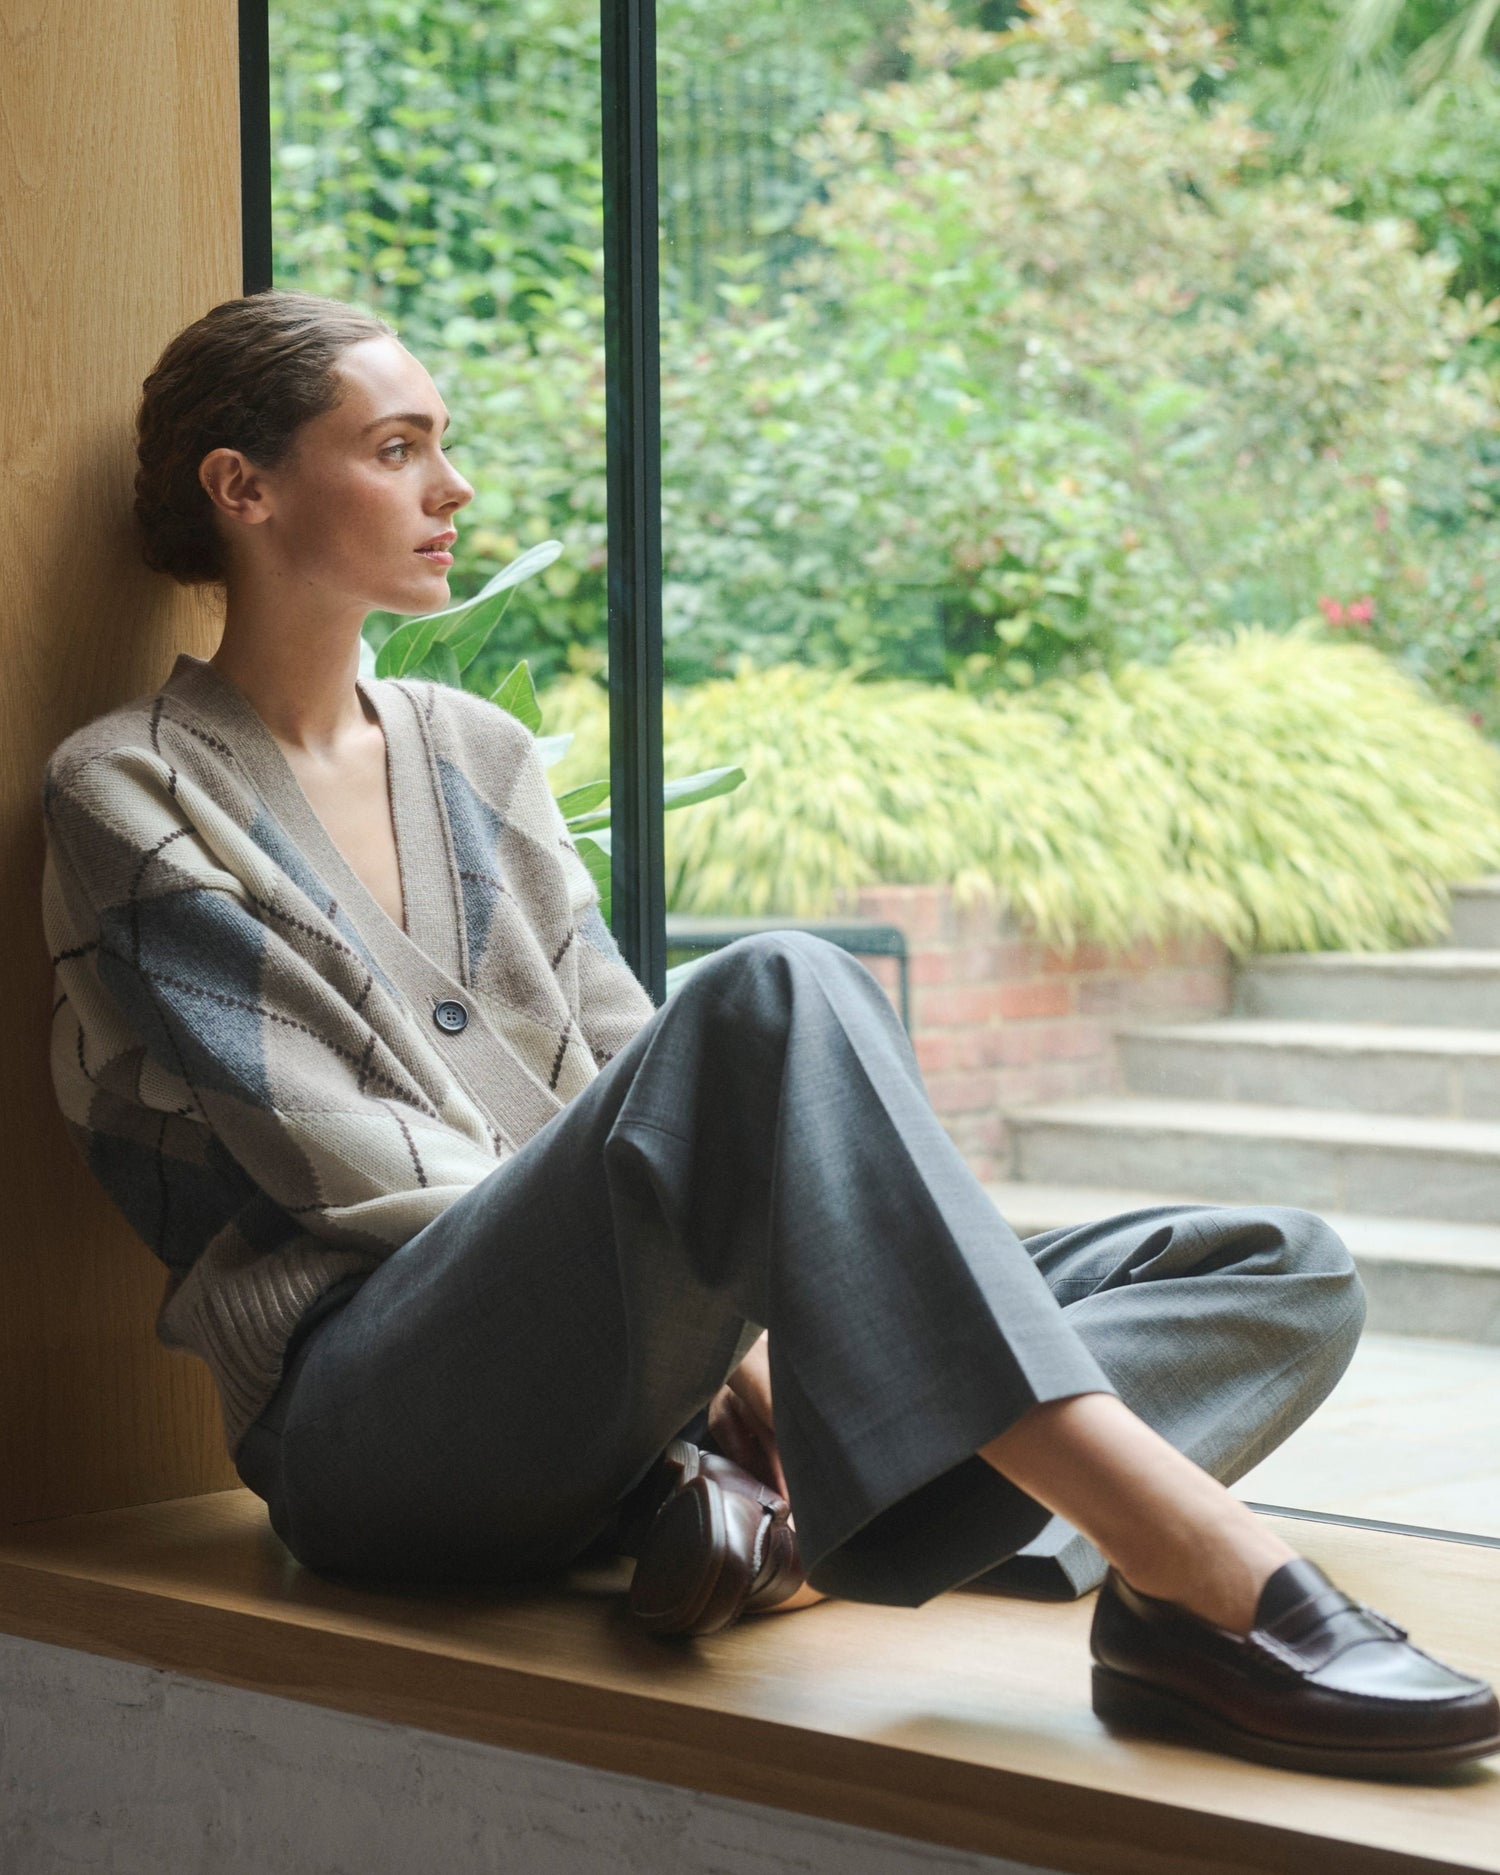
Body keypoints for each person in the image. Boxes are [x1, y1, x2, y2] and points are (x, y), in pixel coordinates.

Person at [41, 292, 1497, 1780]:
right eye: (399, 447)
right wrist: (754, 1351)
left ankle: (765, 1528)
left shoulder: (470, 750)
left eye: (444, 445)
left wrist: (741, 1340)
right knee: (778, 989)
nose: (454, 488)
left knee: (1276, 1268)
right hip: (382, 1430)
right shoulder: (129, 794)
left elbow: (615, 1044)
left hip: (631, 1390)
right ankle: (1196, 1580)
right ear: (246, 488)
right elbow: (350, 1173)